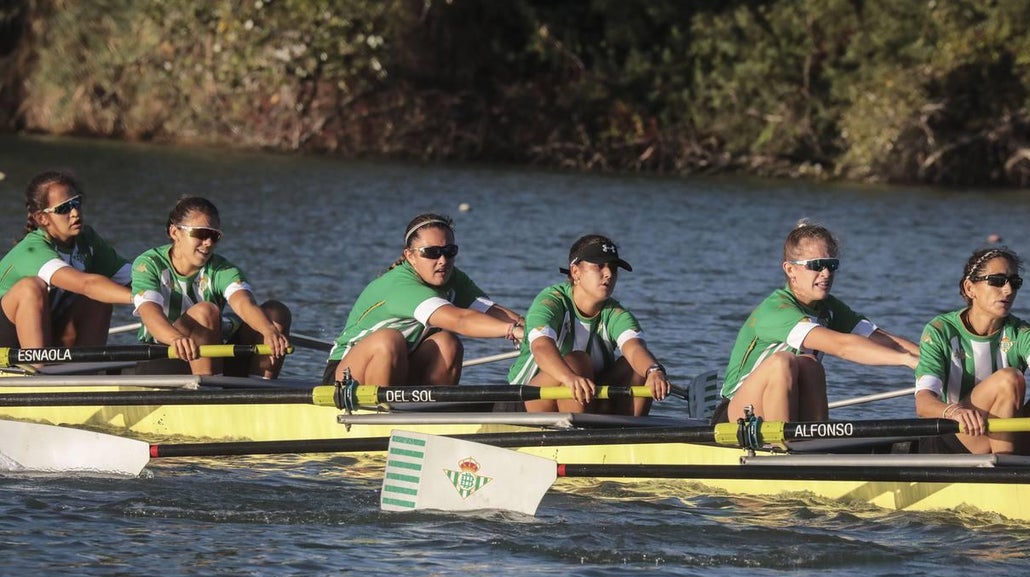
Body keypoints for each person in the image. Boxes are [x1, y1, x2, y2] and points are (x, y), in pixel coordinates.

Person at [716, 220, 919, 424]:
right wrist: (906, 360)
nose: (826, 274)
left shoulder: (829, 307)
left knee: (810, 365)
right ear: (790, 270)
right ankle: (781, 447)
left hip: (788, 406)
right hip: (736, 416)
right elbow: (843, 347)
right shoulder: (776, 311)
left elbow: (885, 340)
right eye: (816, 266)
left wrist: (932, 361)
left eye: (832, 265)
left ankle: (814, 442)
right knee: (782, 362)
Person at [914, 245, 1030, 456]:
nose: (1008, 290)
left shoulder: (1025, 333)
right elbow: (924, 403)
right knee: (1009, 379)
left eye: (1015, 283)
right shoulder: (939, 330)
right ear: (970, 288)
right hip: (954, 437)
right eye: (997, 281)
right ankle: (1007, 472)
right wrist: (954, 412)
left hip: (1006, 430)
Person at [324, 213, 524, 386]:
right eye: (432, 253)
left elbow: (493, 312)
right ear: (410, 256)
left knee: (447, 343)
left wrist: (534, 331)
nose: (443, 261)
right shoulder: (401, 286)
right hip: (345, 376)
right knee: (388, 341)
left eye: (449, 252)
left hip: (400, 365)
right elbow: (460, 320)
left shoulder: (453, 277)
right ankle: (380, 417)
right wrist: (512, 331)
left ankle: (430, 415)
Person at [506, 234, 670, 415]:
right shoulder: (550, 302)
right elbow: (541, 347)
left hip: (586, 398)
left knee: (638, 366)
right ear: (575, 272)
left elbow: (634, 349)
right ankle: (581, 433)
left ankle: (631, 433)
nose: (608, 274)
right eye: (599, 266)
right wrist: (569, 378)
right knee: (579, 361)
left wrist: (654, 371)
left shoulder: (616, 313)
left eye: (613, 268)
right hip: (523, 403)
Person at [131, 196, 292, 378]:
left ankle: (261, 389)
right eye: (200, 234)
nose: (208, 243)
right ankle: (209, 393)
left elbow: (243, 304)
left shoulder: (222, 269)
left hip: (211, 355)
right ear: (175, 232)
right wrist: (176, 339)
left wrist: (268, 330)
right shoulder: (149, 264)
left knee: (276, 313)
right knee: (205, 312)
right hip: (164, 354)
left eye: (214, 236)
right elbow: (150, 314)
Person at [0, 170, 132, 348]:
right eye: (64, 208)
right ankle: (37, 369)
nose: (75, 212)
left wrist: (173, 291)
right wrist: (140, 299)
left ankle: (88, 370)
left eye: (77, 202)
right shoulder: (32, 250)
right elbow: (87, 285)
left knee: (101, 297)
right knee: (31, 288)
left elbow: (136, 280)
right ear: (42, 218)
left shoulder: (87, 239)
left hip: (46, 330)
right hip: (7, 338)